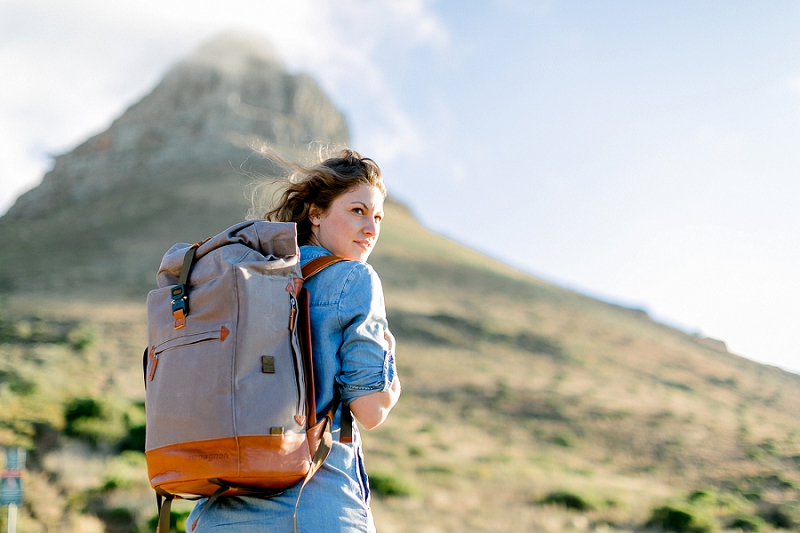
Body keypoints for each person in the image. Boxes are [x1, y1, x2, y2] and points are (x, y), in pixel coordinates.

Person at [186, 148, 401, 533]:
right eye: (357, 211)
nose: (371, 228)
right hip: (313, 505)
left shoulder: (242, 278)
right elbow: (370, 411)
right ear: (315, 213)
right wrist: (392, 373)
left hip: (217, 508)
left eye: (378, 216)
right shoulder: (353, 279)